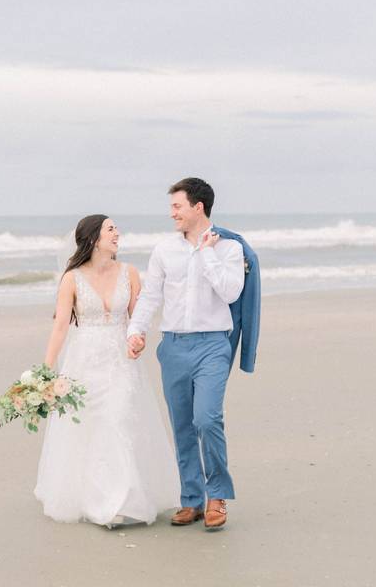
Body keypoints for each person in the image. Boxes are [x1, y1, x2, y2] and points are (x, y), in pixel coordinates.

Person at [34, 214, 179, 527]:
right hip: (84, 362)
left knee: (118, 420)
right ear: (93, 238)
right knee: (90, 427)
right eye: (110, 229)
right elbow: (60, 325)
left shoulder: (129, 273)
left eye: (116, 229)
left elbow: (137, 319)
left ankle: (120, 500)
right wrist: (45, 372)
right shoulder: (71, 278)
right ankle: (95, 497)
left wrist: (137, 340)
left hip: (120, 361)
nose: (117, 234)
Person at [127, 177, 245, 530]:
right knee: (181, 426)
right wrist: (136, 331)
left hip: (212, 344)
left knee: (207, 419)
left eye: (177, 206)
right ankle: (191, 500)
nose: (172, 213)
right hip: (174, 347)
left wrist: (207, 253)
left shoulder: (230, 248)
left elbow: (231, 293)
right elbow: (151, 296)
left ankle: (217, 496)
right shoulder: (164, 249)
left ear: (198, 207)